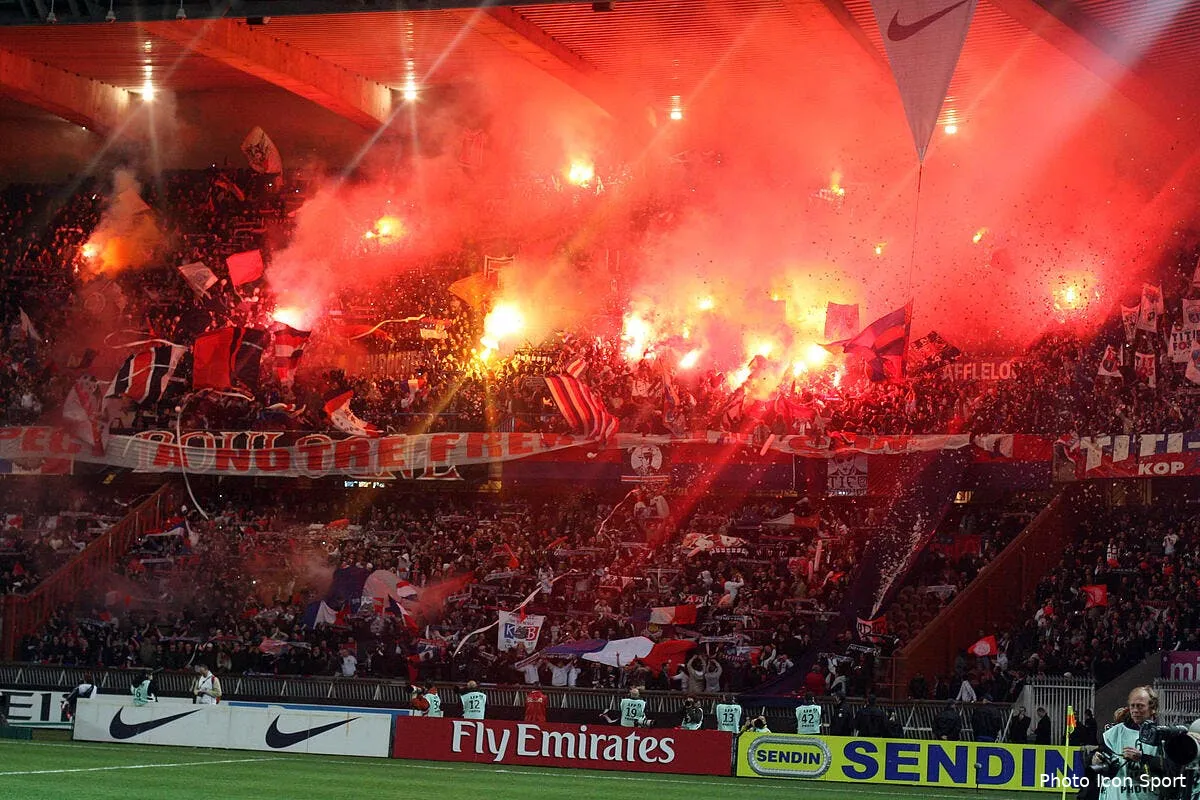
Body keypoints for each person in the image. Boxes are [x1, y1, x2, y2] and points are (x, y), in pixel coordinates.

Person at [1094, 687, 1167, 800]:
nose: (1135, 710)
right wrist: (1096, 760)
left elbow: (1170, 769)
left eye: (1140, 706)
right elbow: (1102, 769)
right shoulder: (1112, 734)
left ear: (1153, 708)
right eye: (1132, 705)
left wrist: (1142, 758)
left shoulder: (1163, 735)